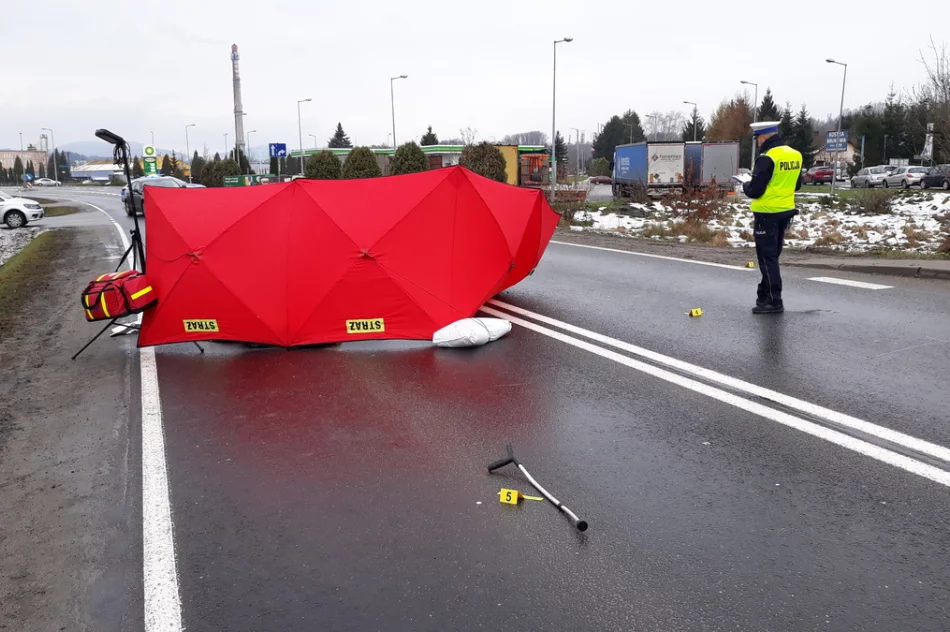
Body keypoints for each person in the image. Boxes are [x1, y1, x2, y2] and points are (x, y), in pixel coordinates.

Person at [742, 121, 803, 314]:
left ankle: (774, 301)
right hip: (786, 211)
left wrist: (745, 185)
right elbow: (797, 185)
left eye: (757, 139)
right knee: (772, 257)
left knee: (767, 259)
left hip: (766, 214)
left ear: (763, 136)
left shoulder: (767, 158)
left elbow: (755, 190)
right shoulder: (795, 154)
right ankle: (764, 294)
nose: (758, 142)